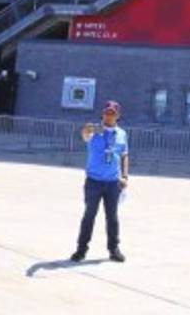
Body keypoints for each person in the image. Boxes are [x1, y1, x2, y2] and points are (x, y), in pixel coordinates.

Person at [71, 100, 129, 262]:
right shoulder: (95, 130)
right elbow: (85, 136)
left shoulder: (122, 134)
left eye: (112, 113)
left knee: (112, 217)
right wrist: (87, 129)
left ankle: (114, 249)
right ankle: (81, 249)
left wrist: (125, 176)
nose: (109, 115)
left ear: (118, 116)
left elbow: (124, 155)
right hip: (94, 181)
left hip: (113, 183)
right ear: (102, 114)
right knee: (89, 215)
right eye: (107, 112)